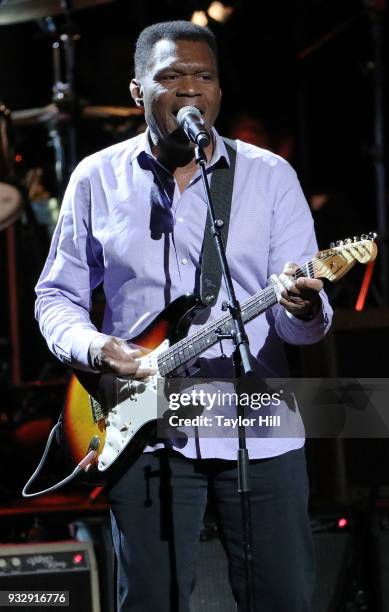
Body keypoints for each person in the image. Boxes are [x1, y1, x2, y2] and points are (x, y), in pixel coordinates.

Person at [35, 20, 333, 612]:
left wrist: (304, 306)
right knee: (150, 600)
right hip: (144, 431)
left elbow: (304, 325)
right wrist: (105, 351)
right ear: (138, 92)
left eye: (204, 76)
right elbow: (55, 298)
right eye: (171, 76)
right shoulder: (96, 177)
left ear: (220, 92)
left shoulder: (270, 178)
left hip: (258, 425)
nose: (190, 89)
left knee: (284, 598)